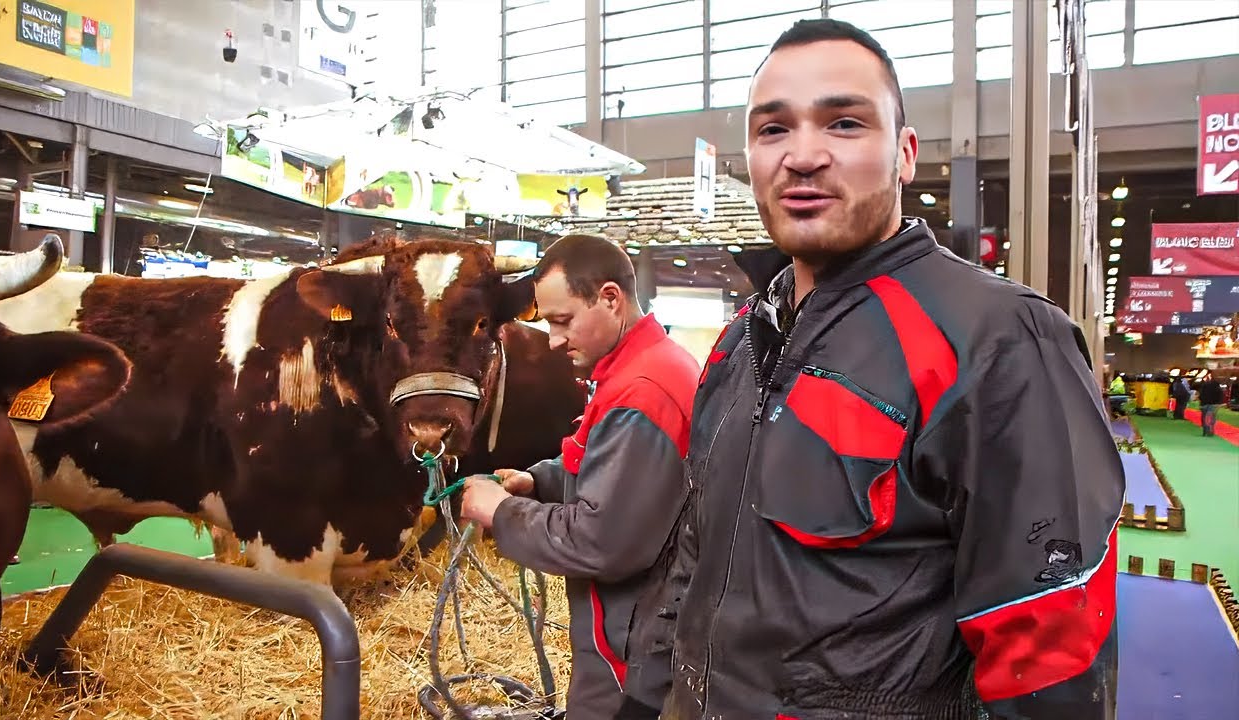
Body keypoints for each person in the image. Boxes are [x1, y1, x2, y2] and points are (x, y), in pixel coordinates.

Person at [649, 18, 1126, 720]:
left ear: (905, 154)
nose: (802, 156)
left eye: (844, 123)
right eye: (772, 130)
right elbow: (694, 565)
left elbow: (1049, 648)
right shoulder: (735, 346)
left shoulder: (999, 341)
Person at [460, 234, 701, 719]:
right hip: (633, 634)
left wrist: (501, 512)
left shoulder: (642, 392)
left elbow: (600, 542)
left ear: (610, 299)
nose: (553, 339)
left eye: (561, 320)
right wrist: (541, 482)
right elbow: (620, 472)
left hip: (629, 652)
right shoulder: (640, 369)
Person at [1196, 372, 1224, 437]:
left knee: (1204, 417)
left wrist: (1201, 401)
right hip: (1213, 404)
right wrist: (1219, 403)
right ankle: (1210, 430)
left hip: (1204, 404)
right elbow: (1220, 396)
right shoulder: (1217, 387)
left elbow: (1201, 394)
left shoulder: (1204, 386)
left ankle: (1205, 430)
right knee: (1211, 417)